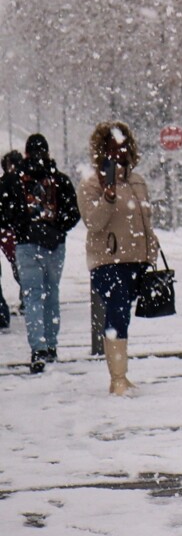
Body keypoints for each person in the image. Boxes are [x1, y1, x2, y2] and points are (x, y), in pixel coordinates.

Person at [77, 121, 159, 396]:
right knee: (117, 311)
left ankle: (121, 374)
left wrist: (152, 251)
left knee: (123, 315)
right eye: (112, 147)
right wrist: (108, 197)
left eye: (123, 146)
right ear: (102, 150)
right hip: (108, 261)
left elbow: (145, 219)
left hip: (136, 259)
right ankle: (118, 378)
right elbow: (93, 222)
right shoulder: (92, 184)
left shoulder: (137, 182)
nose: (119, 152)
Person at [0, 134, 81, 373]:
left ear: (25, 153)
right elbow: (73, 213)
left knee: (33, 295)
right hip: (54, 246)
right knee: (51, 293)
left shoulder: (12, 181)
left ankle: (38, 348)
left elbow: (3, 213)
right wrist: (56, 229)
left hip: (26, 245)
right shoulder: (60, 180)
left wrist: (21, 226)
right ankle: (52, 344)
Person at [0, 151, 19, 330]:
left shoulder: (5, 184)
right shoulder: (21, 182)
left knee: (18, 266)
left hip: (8, 229)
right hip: (13, 229)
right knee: (19, 266)